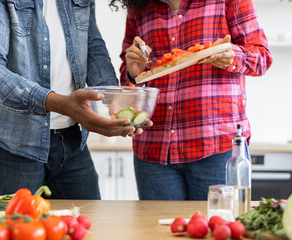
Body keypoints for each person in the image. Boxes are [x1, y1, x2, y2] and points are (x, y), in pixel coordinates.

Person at [0, 0, 150, 199]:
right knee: (21, 228)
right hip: (14, 144)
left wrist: (114, 97)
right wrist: (61, 104)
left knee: (87, 226)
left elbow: (92, 46)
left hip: (71, 139)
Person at [110, 0, 273, 200]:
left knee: (220, 228)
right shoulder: (139, 6)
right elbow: (128, 77)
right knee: (156, 231)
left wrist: (233, 56)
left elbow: (262, 57)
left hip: (216, 149)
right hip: (154, 151)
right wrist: (133, 74)